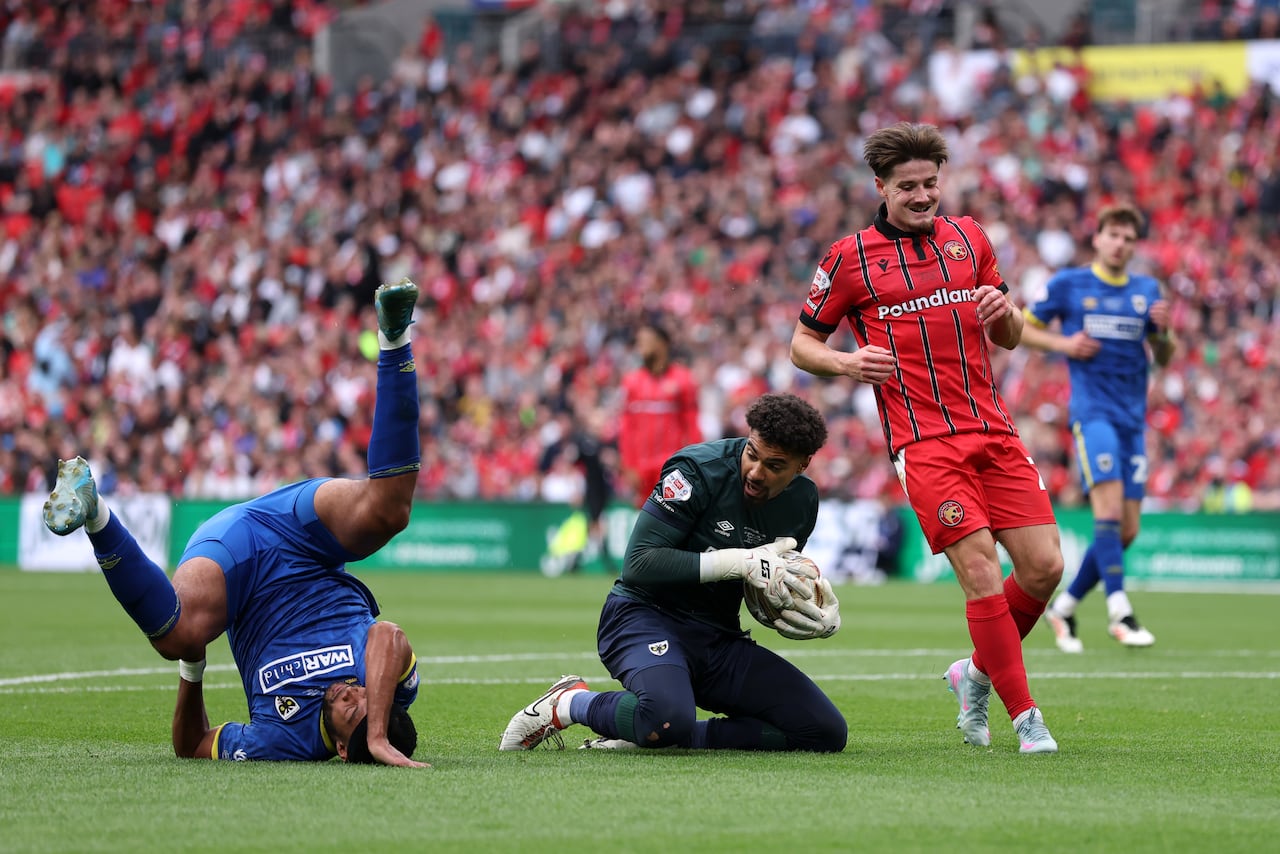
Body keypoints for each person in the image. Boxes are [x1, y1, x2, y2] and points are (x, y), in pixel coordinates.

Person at [41, 279, 430, 766]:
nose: (350, 693)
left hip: (238, 562)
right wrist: (375, 730)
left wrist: (194, 668)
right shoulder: (392, 687)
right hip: (304, 537)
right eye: (363, 694)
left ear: (344, 751)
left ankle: (94, 510)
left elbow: (190, 745)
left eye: (352, 713)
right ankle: (394, 338)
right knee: (390, 513)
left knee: (177, 636)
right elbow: (389, 634)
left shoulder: (284, 743)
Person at [789, 122, 1063, 754]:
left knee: (1045, 567)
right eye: (907, 186)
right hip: (924, 442)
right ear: (880, 187)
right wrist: (847, 364)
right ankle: (1026, 719)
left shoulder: (972, 239)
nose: (921, 195)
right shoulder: (847, 259)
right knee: (980, 571)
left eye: (930, 183)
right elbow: (803, 344)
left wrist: (1009, 317)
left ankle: (974, 673)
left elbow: (1011, 335)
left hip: (993, 429)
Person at [498, 392, 846, 753]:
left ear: (802, 466)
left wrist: (807, 610)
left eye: (774, 466)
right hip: (644, 616)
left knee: (823, 731)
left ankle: (662, 735)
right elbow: (638, 564)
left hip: (717, 637)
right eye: (752, 454)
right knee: (666, 717)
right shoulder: (697, 469)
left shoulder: (802, 502)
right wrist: (738, 560)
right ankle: (568, 703)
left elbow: (762, 587)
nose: (756, 472)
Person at [1021, 203, 1176, 652]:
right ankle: (1120, 611)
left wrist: (1163, 334)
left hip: (1132, 418)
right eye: (1114, 235)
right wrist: (1064, 342)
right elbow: (1024, 328)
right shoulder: (1070, 284)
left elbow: (1164, 356)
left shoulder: (1147, 289)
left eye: (1129, 238)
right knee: (1106, 512)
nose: (1121, 244)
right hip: (1093, 414)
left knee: (1127, 530)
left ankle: (1065, 606)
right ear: (1098, 237)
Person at [617, 322, 702, 508]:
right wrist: (628, 465)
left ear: (662, 344)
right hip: (641, 469)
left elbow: (692, 425)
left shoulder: (684, 380)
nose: (640, 347)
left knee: (674, 519)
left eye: (645, 341)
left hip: (672, 467)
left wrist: (694, 463)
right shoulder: (631, 382)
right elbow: (625, 428)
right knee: (646, 520)